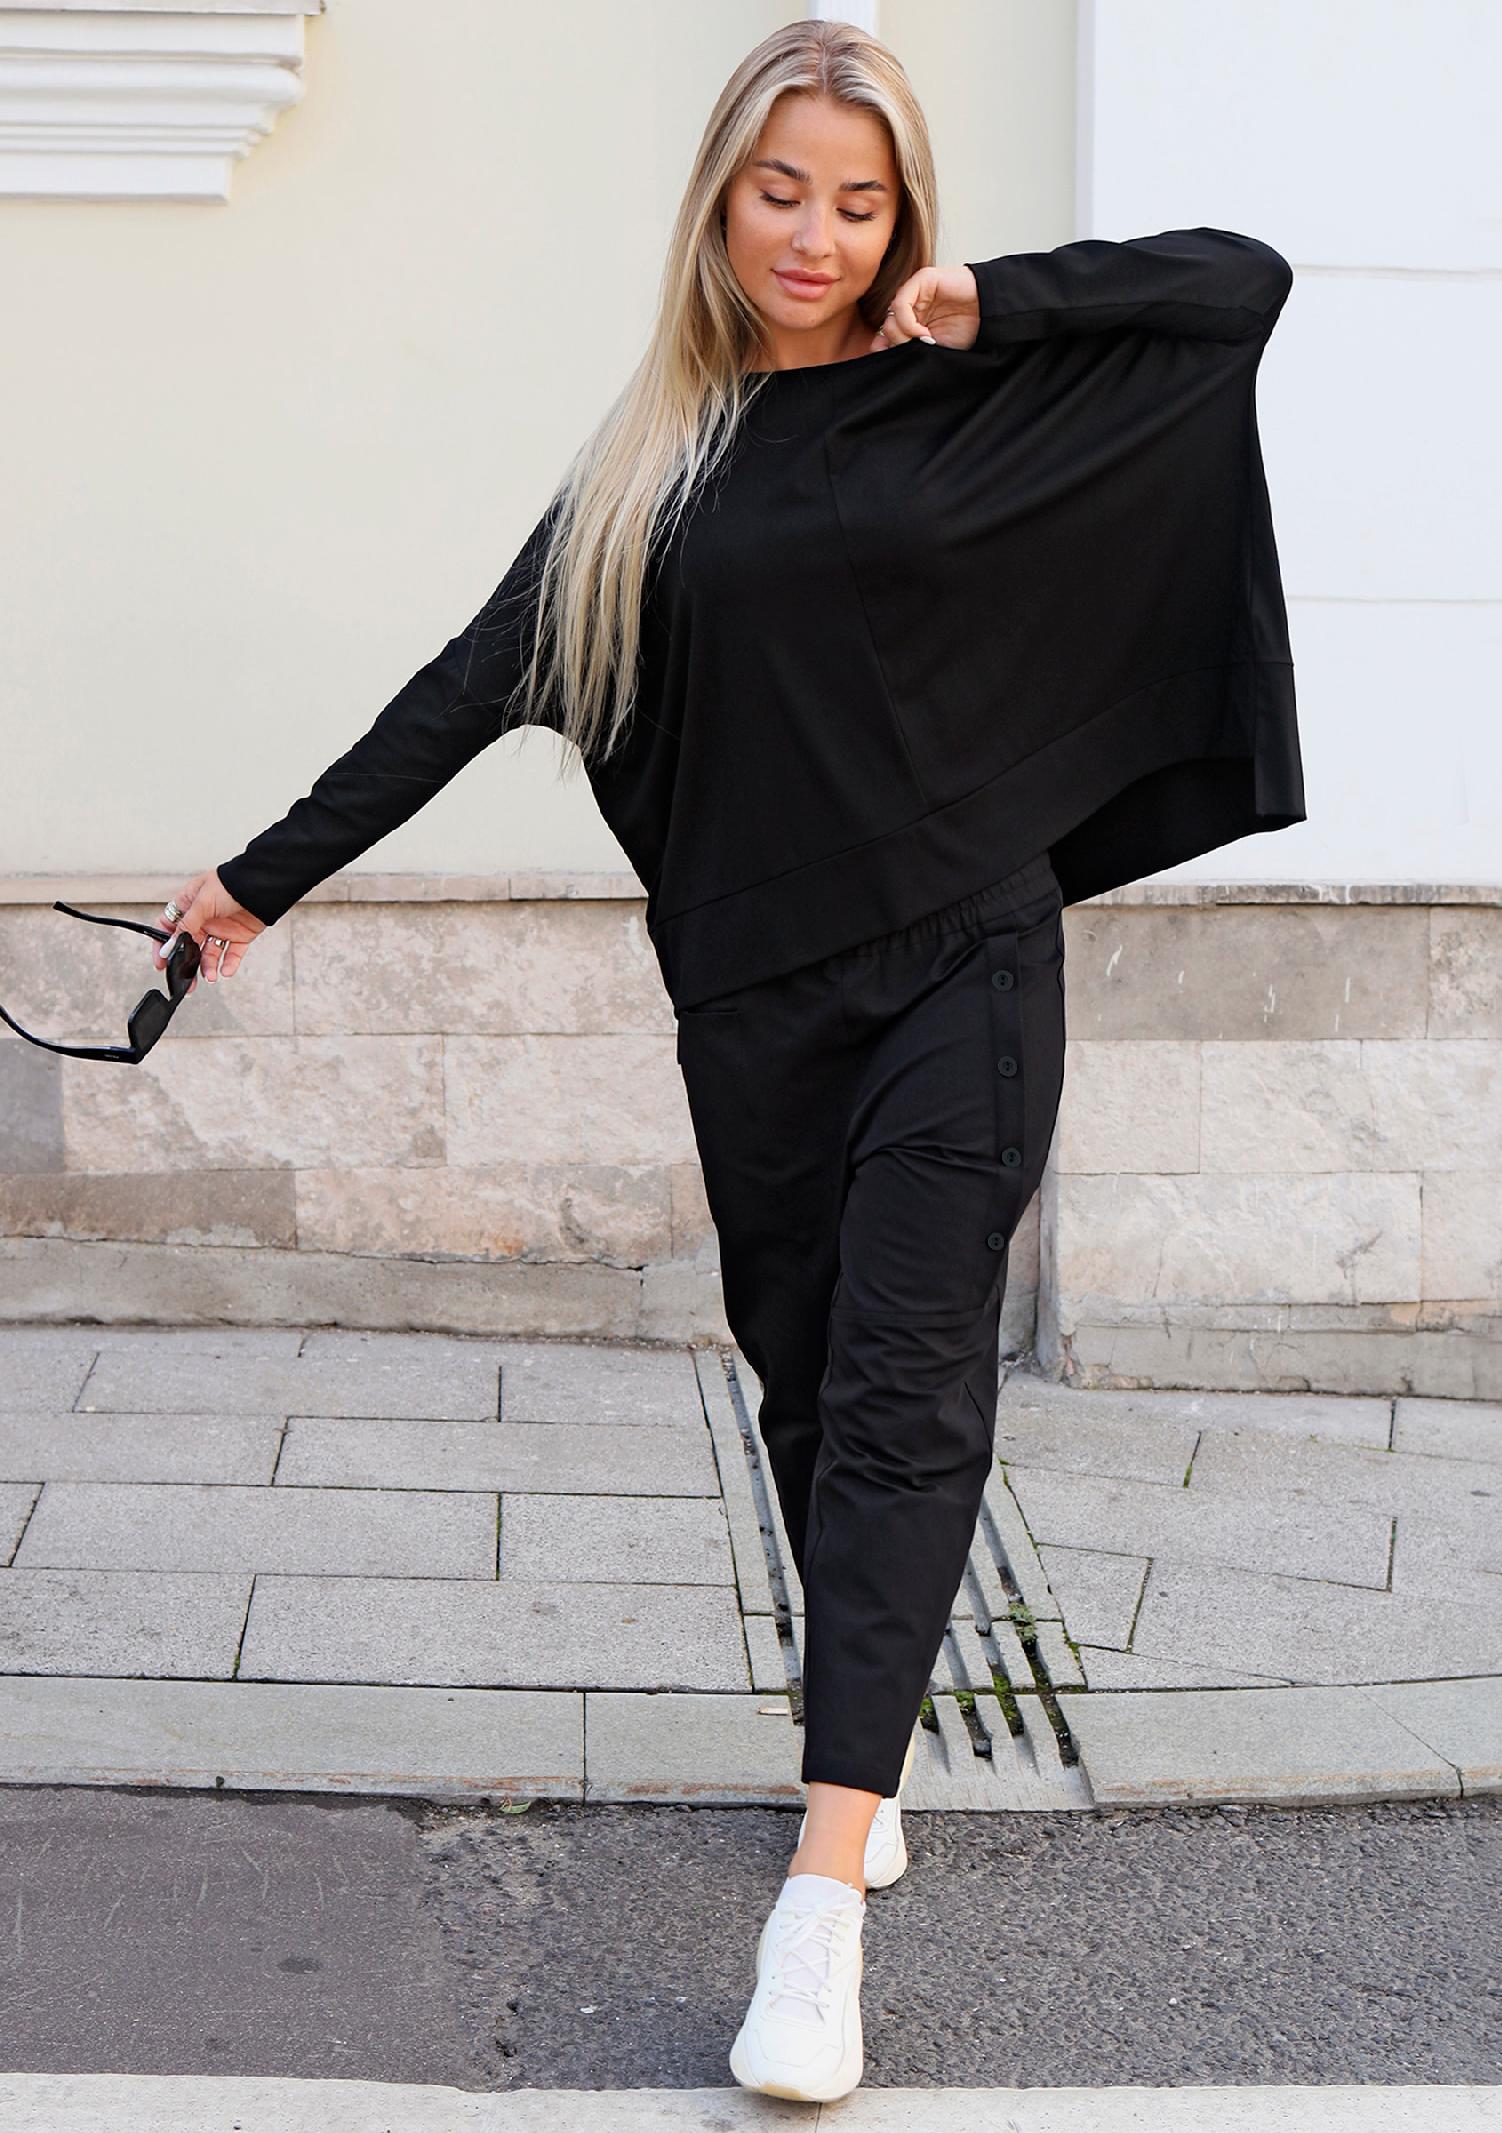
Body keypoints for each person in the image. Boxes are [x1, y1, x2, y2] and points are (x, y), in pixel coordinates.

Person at [154, 17, 1300, 2105]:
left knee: (905, 1392)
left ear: (899, 215)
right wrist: (251, 885)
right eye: (781, 191)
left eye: (858, 201)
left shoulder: (955, 379)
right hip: (760, 1004)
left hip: (965, 963)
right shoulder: (646, 473)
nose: (814, 235)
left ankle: (819, 1892)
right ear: (716, 200)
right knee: (808, 1388)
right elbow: (460, 690)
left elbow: (1240, 284)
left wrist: (996, 297)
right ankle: (864, 1733)